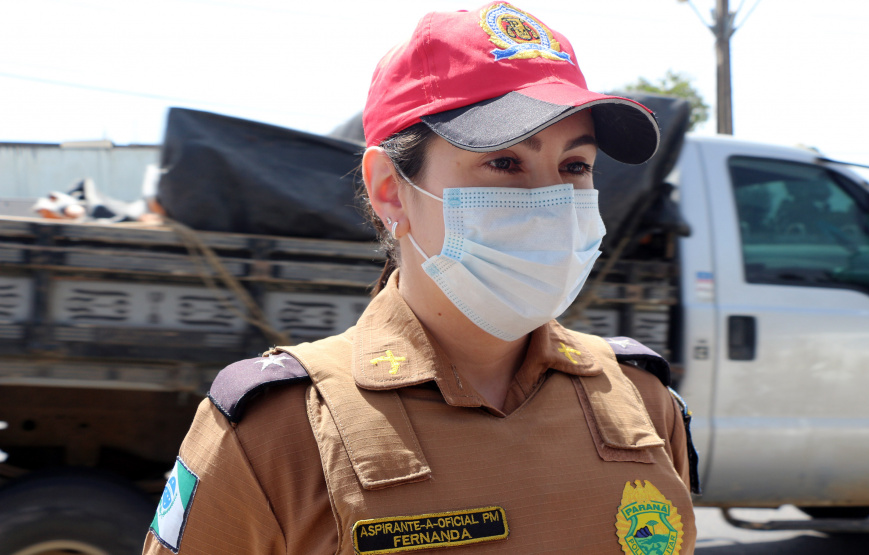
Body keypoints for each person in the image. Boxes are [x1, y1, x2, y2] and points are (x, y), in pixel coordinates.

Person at [143, 3, 699, 554]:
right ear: (390, 188)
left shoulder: (643, 401)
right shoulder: (278, 430)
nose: (552, 202)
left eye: (575, 166)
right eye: (504, 162)